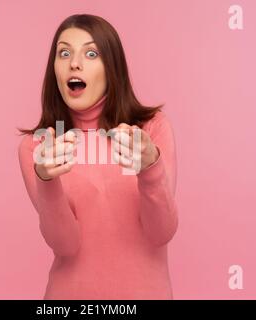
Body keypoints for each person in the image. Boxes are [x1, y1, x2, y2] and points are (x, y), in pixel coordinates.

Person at [17, 14, 178, 299]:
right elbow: (65, 245)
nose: (74, 63)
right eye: (64, 52)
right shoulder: (39, 145)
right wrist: (47, 180)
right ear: (54, 68)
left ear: (111, 67)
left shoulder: (149, 131)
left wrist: (150, 169)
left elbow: (160, 233)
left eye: (91, 53)